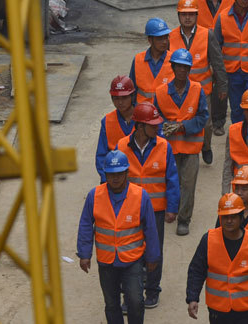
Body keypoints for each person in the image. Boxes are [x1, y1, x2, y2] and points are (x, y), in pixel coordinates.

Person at [77, 150, 161, 324]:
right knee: (111, 303)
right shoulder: (95, 196)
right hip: (107, 262)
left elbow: (151, 229)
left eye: (119, 174)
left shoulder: (140, 196)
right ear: (105, 174)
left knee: (136, 301)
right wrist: (84, 254)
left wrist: (153, 257)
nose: (115, 178)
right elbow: (86, 224)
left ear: (127, 173)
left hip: (132, 261)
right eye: (111, 174)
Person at [115, 102, 179, 309]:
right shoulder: (122, 147)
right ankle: (131, 296)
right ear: (140, 126)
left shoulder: (164, 146)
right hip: (129, 210)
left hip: (156, 211)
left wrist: (172, 207)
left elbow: (172, 178)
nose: (157, 128)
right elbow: (114, 180)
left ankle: (152, 290)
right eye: (153, 125)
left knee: (153, 250)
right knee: (129, 252)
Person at [185, 193, 248, 322]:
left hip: (246, 310)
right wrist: (192, 298)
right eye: (225, 217)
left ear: (241, 217)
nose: (229, 221)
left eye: (233, 217)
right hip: (218, 310)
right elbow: (196, 271)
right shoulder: (208, 240)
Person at [153, 48, 209, 236]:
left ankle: (184, 219)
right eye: (179, 67)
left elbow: (203, 117)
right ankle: (172, 210)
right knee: (171, 182)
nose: (182, 71)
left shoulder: (197, 90)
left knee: (188, 184)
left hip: (191, 146)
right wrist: (164, 127)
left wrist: (183, 126)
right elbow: (155, 117)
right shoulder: (161, 93)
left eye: (186, 68)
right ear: (173, 67)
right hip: (169, 148)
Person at [169, 0, 228, 165]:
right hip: (178, 90)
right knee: (180, 122)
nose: (187, 17)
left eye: (191, 14)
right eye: (184, 14)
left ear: (197, 15)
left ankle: (206, 146)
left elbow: (217, 61)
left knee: (207, 124)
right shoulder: (171, 37)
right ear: (179, 15)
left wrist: (223, 85)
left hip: (203, 90)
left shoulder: (206, 35)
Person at [194, 0, 234, 138]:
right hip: (201, 50)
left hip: (223, 49)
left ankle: (218, 121)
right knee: (202, 85)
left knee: (221, 85)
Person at [96, 75, 136, 181]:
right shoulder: (107, 121)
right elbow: (101, 156)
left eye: (124, 98)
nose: (120, 102)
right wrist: (107, 180)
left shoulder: (144, 117)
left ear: (132, 96)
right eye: (116, 98)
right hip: (116, 178)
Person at [130, 17, 173, 105]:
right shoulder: (138, 60)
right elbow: (132, 90)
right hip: (142, 113)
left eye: (166, 37)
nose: (164, 42)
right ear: (150, 40)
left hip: (165, 113)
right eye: (160, 38)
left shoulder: (173, 60)